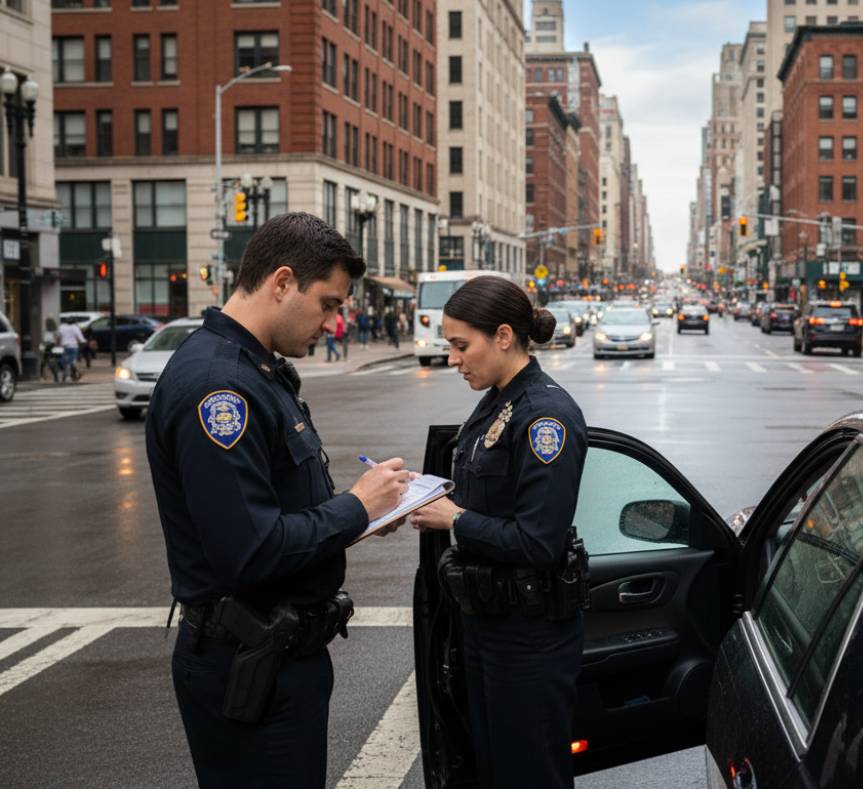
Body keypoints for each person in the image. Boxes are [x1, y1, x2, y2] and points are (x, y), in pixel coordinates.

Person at [145, 212, 413, 788]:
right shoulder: (222, 388)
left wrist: (363, 516)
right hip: (248, 664)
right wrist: (354, 509)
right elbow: (248, 549)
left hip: (274, 657)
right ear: (282, 282)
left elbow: (274, 514)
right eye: (328, 303)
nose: (333, 321)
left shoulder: (258, 372)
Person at [409, 276, 588, 789]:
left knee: (528, 773)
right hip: (487, 621)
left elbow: (538, 540)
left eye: (462, 345)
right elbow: (487, 487)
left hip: (528, 636)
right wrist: (422, 495)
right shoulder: (498, 399)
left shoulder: (544, 415)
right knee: (488, 767)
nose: (452, 359)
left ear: (504, 336)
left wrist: (455, 519)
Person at [57, 317, 86, 382]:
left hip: (64, 346)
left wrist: (57, 344)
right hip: (73, 346)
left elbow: (58, 337)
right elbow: (81, 338)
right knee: (71, 361)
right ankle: (73, 373)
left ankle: (68, 374)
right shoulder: (75, 327)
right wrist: (83, 342)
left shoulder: (62, 327)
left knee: (66, 360)